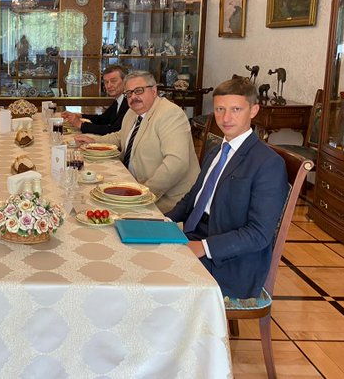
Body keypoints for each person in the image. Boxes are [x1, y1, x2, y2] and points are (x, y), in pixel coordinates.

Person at [166, 77, 288, 299]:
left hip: (231, 262)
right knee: (140, 254)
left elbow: (259, 234)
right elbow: (193, 198)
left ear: (253, 111)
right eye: (220, 109)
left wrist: (204, 247)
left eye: (236, 109)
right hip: (196, 235)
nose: (226, 118)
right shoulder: (216, 151)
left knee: (158, 278)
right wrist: (163, 222)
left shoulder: (268, 163)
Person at [75, 70, 199, 211]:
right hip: (131, 183)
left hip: (167, 200)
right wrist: (92, 141)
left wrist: (143, 193)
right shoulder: (132, 112)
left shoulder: (170, 114)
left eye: (139, 91)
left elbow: (176, 163)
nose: (133, 97)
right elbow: (120, 136)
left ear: (154, 90)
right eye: (128, 93)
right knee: (85, 196)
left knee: (98, 210)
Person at [61, 65, 129, 135]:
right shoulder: (118, 100)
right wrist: (80, 115)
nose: (109, 86)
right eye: (106, 82)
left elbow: (113, 130)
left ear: (125, 81)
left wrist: (80, 124)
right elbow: (102, 119)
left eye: (113, 81)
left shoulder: (129, 102)